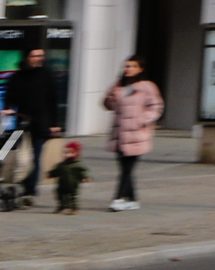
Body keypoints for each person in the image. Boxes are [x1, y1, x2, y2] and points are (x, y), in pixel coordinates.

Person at [102, 57, 164, 211]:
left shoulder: (147, 87)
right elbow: (107, 104)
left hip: (136, 134)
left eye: (132, 66)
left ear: (140, 69)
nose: (128, 69)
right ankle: (133, 199)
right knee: (124, 168)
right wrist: (114, 91)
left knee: (127, 169)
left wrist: (142, 120)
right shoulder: (120, 86)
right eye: (126, 66)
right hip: (120, 134)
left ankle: (118, 198)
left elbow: (156, 107)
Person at [2, 44, 61, 206]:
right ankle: (23, 182)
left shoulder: (46, 75)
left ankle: (30, 191)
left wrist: (55, 124)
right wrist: (7, 109)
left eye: (40, 56)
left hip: (42, 123)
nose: (38, 59)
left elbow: (53, 100)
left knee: (35, 158)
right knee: (23, 158)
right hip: (23, 122)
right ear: (27, 58)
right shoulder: (17, 77)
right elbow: (9, 96)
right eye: (34, 56)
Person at [51, 140, 88, 214]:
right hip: (62, 183)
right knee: (60, 194)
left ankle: (73, 208)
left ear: (76, 153)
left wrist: (84, 177)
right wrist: (50, 174)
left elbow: (83, 171)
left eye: (70, 152)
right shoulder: (62, 164)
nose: (67, 154)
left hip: (72, 184)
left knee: (72, 197)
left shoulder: (77, 164)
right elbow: (57, 171)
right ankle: (62, 206)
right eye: (65, 152)